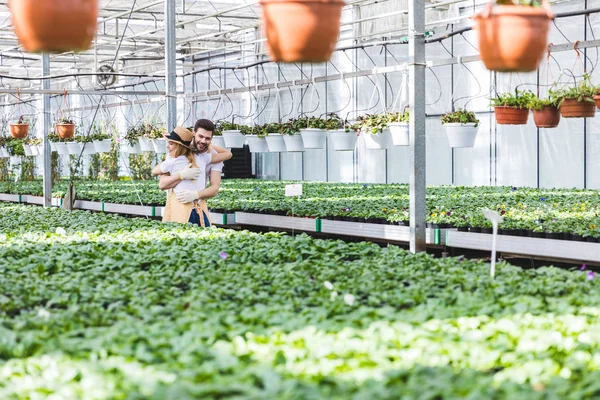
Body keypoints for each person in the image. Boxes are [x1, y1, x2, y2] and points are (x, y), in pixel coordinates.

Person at [158, 120, 231, 226]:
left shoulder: (212, 157)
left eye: (207, 138)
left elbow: (214, 189)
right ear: (193, 133)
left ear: (211, 139)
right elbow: (162, 184)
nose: (203, 141)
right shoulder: (178, 151)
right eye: (200, 136)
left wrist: (195, 195)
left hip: (199, 206)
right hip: (179, 205)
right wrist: (181, 175)